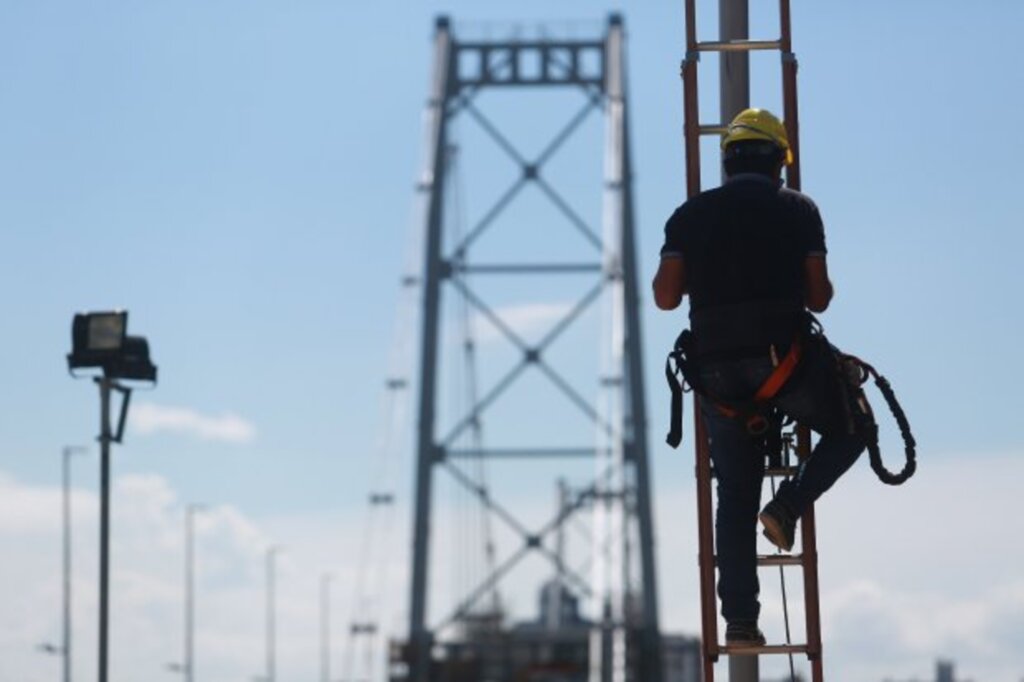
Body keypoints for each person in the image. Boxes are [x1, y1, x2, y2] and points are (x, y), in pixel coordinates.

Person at [653, 108, 867, 647]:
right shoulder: (799, 210)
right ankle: (789, 504)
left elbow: (664, 297)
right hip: (784, 365)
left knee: (735, 494)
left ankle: (741, 622)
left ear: (726, 161)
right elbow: (819, 297)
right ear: (780, 163)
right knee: (854, 429)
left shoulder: (688, 215)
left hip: (717, 373)